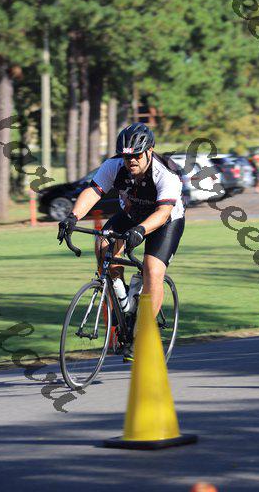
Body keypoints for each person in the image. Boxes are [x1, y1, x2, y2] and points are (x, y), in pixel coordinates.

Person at [58, 123, 185, 360]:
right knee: (103, 245)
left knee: (152, 269)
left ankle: (142, 334)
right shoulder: (114, 166)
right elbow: (93, 192)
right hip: (131, 215)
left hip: (164, 221)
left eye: (137, 155)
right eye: (127, 157)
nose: (131, 161)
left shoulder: (166, 173)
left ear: (149, 151)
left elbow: (163, 213)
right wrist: (72, 217)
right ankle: (122, 300)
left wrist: (140, 231)